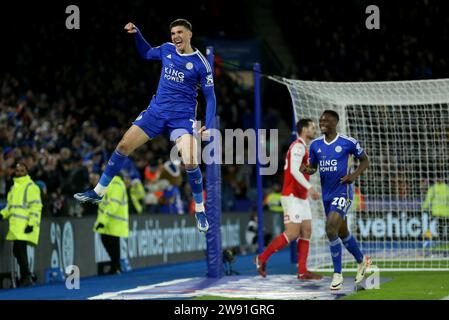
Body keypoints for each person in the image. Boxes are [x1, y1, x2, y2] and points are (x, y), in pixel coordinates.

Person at [74, 19, 216, 233]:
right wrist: (137, 34)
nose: (175, 36)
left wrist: (208, 124)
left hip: (181, 118)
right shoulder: (167, 50)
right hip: (156, 112)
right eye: (172, 33)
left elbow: (211, 98)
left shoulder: (201, 64)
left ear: (189, 34)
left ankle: (199, 209)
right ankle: (99, 191)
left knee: (190, 160)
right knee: (123, 146)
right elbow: (147, 53)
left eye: (179, 32)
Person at [301, 110, 371, 290]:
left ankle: (337, 274)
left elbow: (365, 160)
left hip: (343, 191)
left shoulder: (347, 142)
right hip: (327, 194)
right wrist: (307, 170)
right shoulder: (315, 145)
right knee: (342, 232)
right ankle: (362, 260)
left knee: (330, 228)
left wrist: (353, 175)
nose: (322, 123)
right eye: (321, 120)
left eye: (326, 120)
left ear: (335, 122)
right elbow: (313, 167)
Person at [255, 119, 322, 280]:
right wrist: (310, 187)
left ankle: (302, 271)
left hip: (300, 197)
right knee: (292, 233)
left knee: (307, 231)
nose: (315, 130)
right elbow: (294, 170)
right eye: (312, 127)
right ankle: (261, 257)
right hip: (291, 196)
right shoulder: (298, 146)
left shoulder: (303, 147)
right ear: (304, 130)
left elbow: (303, 170)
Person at [0, 162, 42, 286]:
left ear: (26, 172)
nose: (19, 173)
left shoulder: (31, 187)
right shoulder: (13, 188)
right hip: (15, 226)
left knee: (19, 251)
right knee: (18, 251)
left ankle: (27, 277)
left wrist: (31, 223)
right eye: (17, 170)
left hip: (24, 226)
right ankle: (26, 276)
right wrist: (2, 214)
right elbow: (10, 206)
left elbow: (36, 206)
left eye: (22, 170)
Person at [93, 172, 129, 275]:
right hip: (111, 221)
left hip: (113, 221)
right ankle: (115, 266)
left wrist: (102, 220)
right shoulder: (111, 184)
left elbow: (113, 204)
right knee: (111, 243)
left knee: (110, 242)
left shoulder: (115, 185)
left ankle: (116, 266)